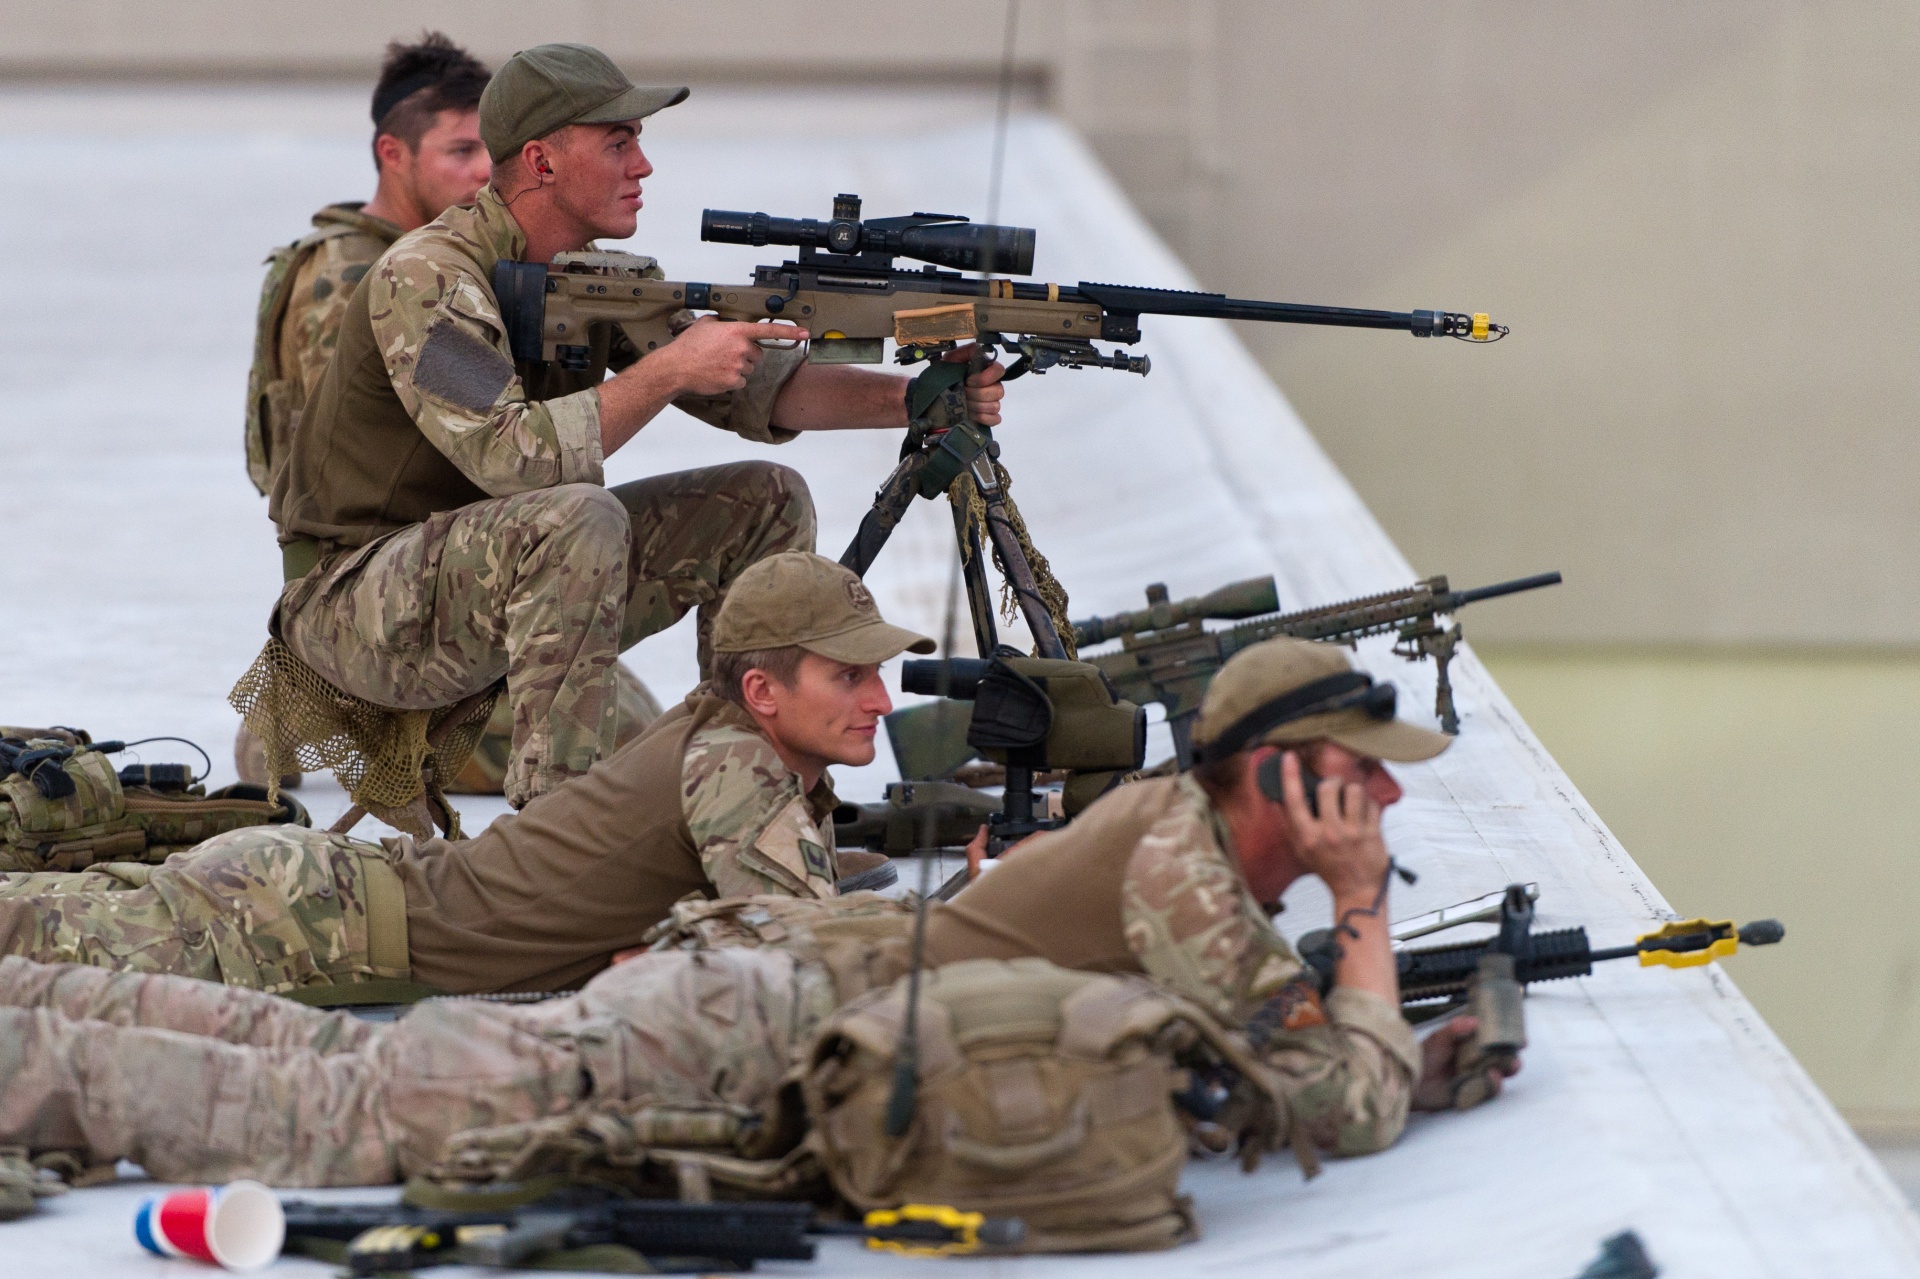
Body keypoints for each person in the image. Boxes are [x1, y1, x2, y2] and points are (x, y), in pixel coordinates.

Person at [265, 42, 1008, 809]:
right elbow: (514, 458)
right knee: (575, 514)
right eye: (618, 143)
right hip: (354, 603)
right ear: (542, 163)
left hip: (482, 575)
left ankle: (747, 803)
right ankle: (559, 847)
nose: (643, 166)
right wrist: (670, 368)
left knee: (767, 500)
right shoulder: (425, 281)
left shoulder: (590, 276)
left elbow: (758, 395)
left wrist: (914, 398)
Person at [0, 554, 931, 996]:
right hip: (310, 921)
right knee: (27, 936)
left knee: (35, 921)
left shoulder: (724, 732)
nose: (881, 701)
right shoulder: (736, 765)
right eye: (850, 676)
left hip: (326, 897)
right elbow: (797, 955)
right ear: (763, 688)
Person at [928, 636, 1521, 1146]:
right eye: (1364, 767)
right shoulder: (1181, 876)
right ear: (1275, 775)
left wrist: (1403, 1071)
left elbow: (1281, 1064)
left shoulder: (1192, 831)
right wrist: (1360, 892)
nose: (1391, 793)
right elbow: (1355, 1118)